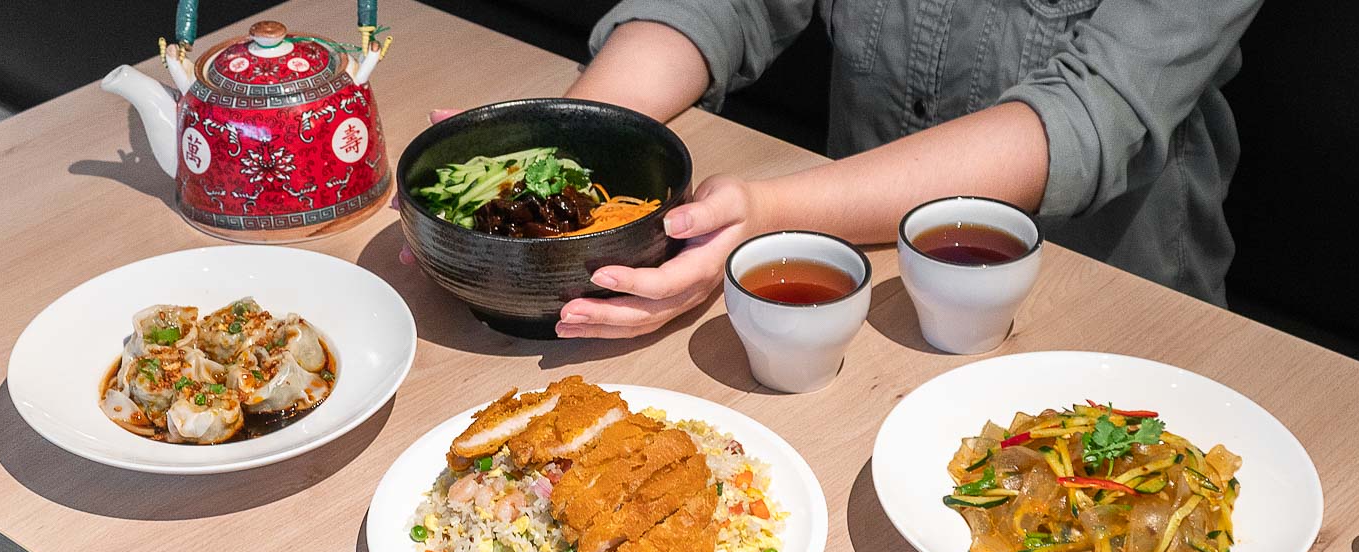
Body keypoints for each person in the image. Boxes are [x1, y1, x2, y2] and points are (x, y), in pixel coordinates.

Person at [411, 0, 1262, 339]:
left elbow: (1087, 115)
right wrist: (552, 165)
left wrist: (766, 213)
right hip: (858, 268)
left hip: (1107, 311)